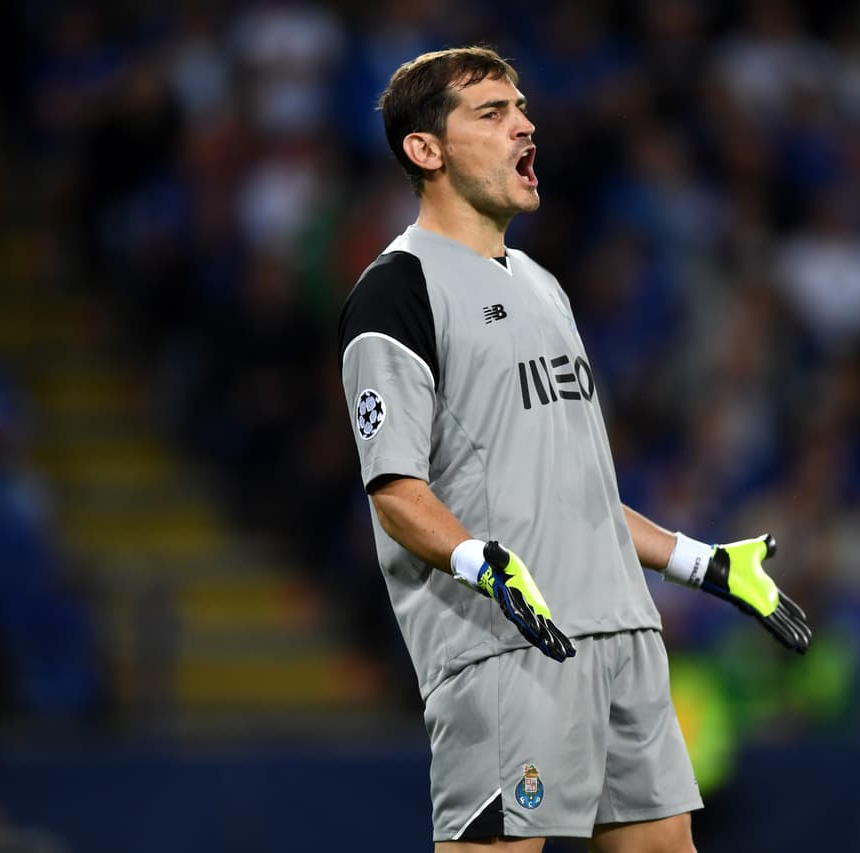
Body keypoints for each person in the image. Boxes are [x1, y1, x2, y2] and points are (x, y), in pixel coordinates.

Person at [337, 46, 811, 852]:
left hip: (623, 632)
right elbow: (395, 493)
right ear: (426, 149)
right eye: (492, 113)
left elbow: (571, 494)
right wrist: (483, 563)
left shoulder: (542, 285)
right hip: (505, 644)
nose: (524, 126)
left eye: (522, 108)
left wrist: (699, 562)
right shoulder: (398, 291)